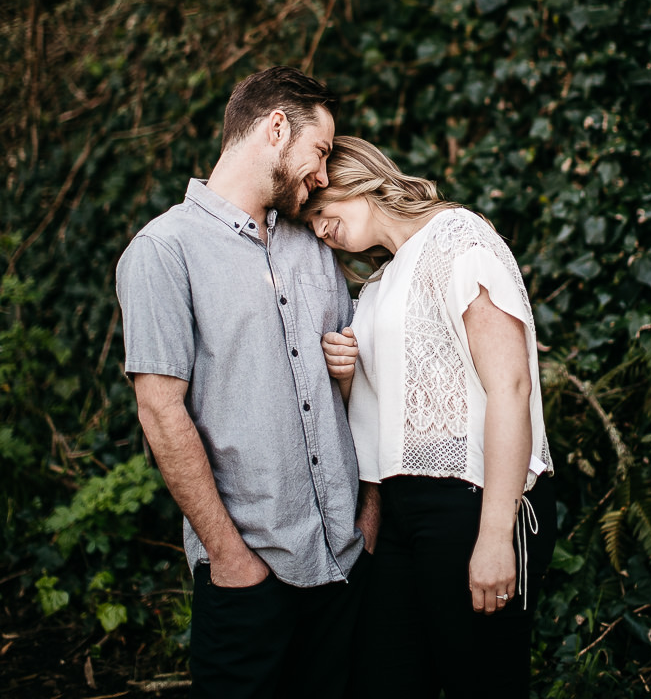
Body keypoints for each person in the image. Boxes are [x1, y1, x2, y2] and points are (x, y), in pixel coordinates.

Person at [116, 68, 376, 699]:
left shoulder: (312, 247)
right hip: (248, 578)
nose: (322, 175)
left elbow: (349, 395)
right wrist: (228, 555)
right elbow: (160, 414)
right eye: (319, 152)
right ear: (276, 127)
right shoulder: (163, 252)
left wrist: (367, 515)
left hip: (343, 566)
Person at [303, 136, 556, 699]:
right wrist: (347, 373)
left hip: (473, 502)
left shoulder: (460, 239)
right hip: (397, 514)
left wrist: (494, 537)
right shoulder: (378, 284)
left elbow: (511, 387)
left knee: (480, 683)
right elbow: (385, 411)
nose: (320, 229)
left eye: (321, 211)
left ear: (358, 181)